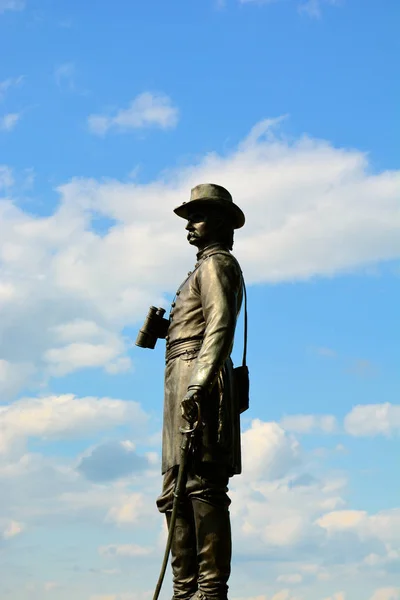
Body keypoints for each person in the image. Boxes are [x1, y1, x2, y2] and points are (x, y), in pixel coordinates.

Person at [156, 183, 246, 600]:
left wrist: (199, 381)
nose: (190, 225)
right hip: (182, 378)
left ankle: (208, 592)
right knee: (175, 490)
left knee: (202, 486)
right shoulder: (198, 270)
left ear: (222, 224)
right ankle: (184, 588)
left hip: (198, 379)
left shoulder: (217, 264)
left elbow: (220, 325)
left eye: (199, 216)